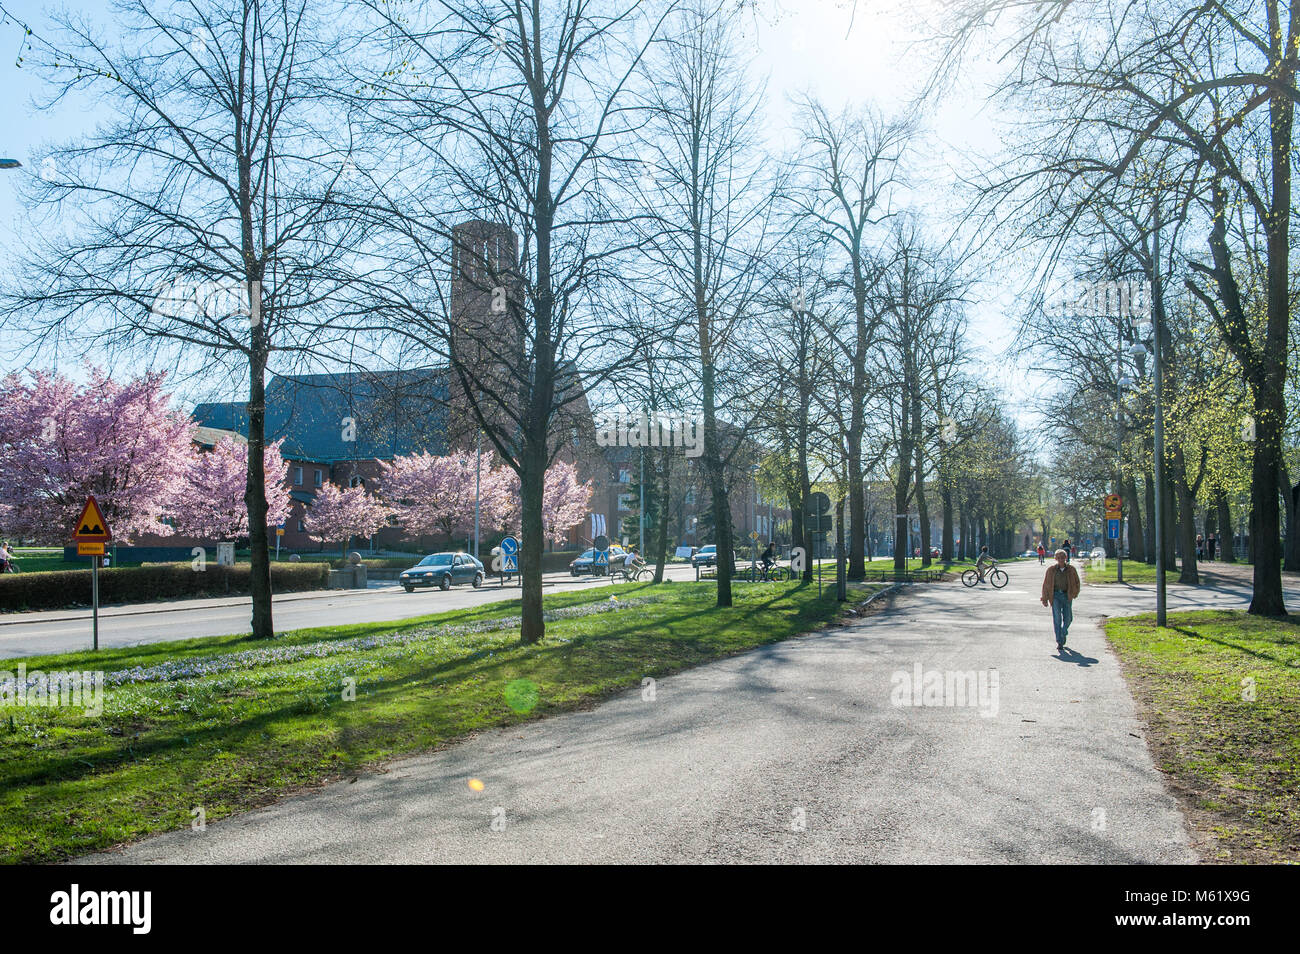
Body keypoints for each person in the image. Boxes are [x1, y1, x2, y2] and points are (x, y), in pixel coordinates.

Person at [1041, 548, 1081, 652]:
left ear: (1066, 558)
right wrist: (1045, 598)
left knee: (1068, 618)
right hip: (1055, 596)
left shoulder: (1071, 569)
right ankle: (1059, 641)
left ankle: (1064, 632)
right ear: (1055, 559)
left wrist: (1074, 593)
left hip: (1067, 595)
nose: (1061, 559)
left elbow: (1077, 582)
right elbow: (1046, 584)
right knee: (1057, 618)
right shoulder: (1051, 570)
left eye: (1062, 557)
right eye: (1058, 557)